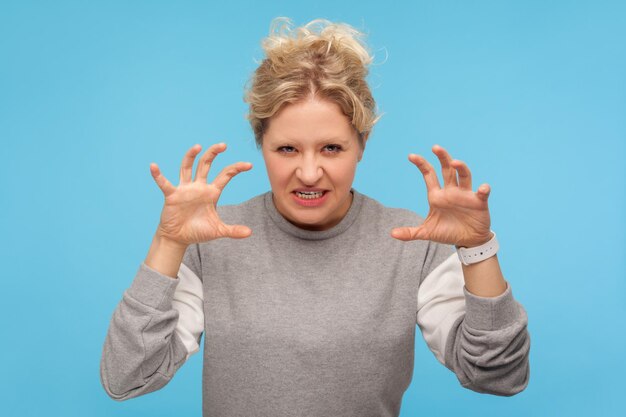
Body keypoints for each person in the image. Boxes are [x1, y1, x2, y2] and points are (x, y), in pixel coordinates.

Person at [100, 17, 530, 417]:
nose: (308, 172)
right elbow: (127, 377)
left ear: (361, 145)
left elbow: (498, 376)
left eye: (331, 148)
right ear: (261, 145)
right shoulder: (211, 241)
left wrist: (477, 250)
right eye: (287, 149)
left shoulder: (415, 244)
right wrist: (168, 242)